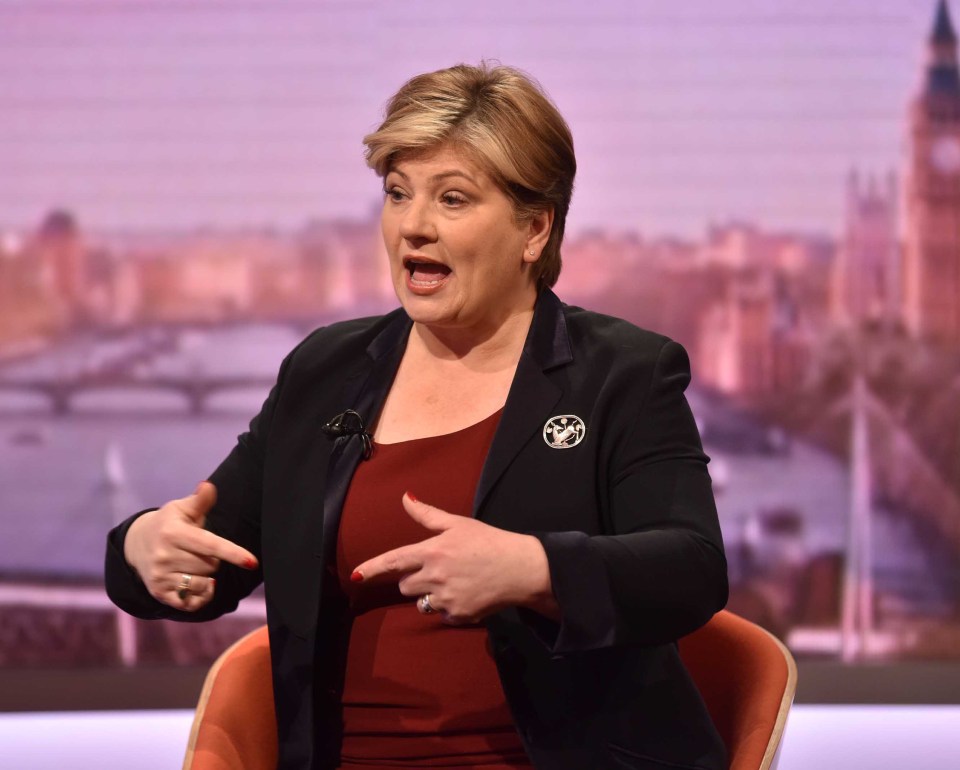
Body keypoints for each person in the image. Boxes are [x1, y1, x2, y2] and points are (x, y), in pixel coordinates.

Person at [106, 63, 729, 770]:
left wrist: (534, 568)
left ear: (534, 228)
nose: (414, 227)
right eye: (397, 194)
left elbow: (692, 569)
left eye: (453, 199)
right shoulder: (326, 370)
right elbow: (214, 551)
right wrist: (141, 550)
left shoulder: (623, 373)